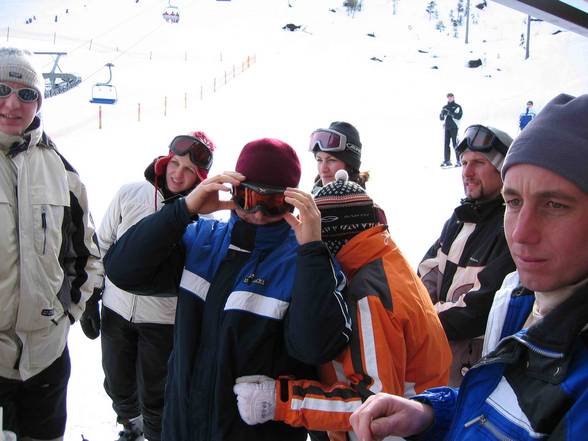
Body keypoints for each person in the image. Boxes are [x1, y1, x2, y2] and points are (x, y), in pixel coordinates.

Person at [350, 93, 588, 441]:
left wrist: (419, 322)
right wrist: (433, 414)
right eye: (514, 201)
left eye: (554, 204)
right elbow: (506, 404)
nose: (521, 233)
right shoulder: (520, 292)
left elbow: (472, 309)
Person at [103, 138, 353, 441]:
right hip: (182, 429)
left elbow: (314, 348)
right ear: (232, 190)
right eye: (249, 197)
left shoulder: (304, 263)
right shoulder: (202, 240)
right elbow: (123, 271)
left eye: (273, 202)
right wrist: (183, 209)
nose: (259, 213)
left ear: (293, 203)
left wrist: (313, 251)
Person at [232, 170, 452, 440]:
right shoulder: (386, 258)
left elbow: (372, 404)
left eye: (312, 230)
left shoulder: (368, 295)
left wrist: (281, 400)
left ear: (330, 233)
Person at [80, 132, 216, 441]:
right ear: (166, 159)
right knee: (117, 383)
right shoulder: (131, 194)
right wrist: (92, 297)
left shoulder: (203, 215)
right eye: (176, 164)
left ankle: (157, 435)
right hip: (117, 309)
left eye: (189, 171)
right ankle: (131, 427)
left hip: (163, 320)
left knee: (156, 393)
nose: (178, 174)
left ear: (200, 177)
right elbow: (101, 244)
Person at [0, 46, 101, 440]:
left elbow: (86, 255)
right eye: (2, 89)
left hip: (46, 357)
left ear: (39, 101)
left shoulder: (61, 171)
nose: (13, 103)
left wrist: (67, 314)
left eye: (27, 94)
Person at [418, 124, 516, 386]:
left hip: (477, 376)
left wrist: (419, 320)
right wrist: (417, 309)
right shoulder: (459, 220)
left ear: (502, 170)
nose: (467, 172)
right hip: (441, 365)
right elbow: (423, 276)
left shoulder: (511, 227)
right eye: (463, 163)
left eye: (478, 163)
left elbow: (477, 310)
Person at [309, 121, 387, 224]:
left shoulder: (372, 213)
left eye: (332, 160)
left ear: (350, 166)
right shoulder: (307, 211)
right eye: (319, 160)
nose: (323, 169)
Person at [439, 92, 463, 167]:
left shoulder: (457, 106)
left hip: (454, 127)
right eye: (448, 97)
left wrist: (450, 113)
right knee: (446, 144)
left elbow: (458, 116)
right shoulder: (445, 107)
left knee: (455, 144)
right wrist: (442, 114)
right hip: (446, 128)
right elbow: (441, 118)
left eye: (451, 97)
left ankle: (459, 161)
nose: (449, 98)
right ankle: (447, 160)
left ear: (453, 97)